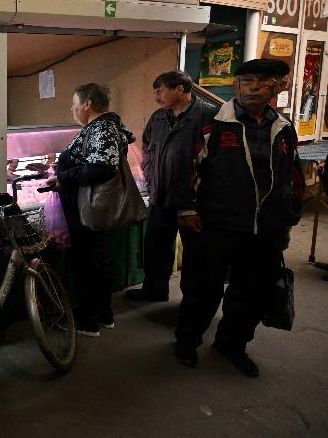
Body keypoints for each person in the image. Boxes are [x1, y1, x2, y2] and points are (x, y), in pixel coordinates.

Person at [173, 59, 304, 377]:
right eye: (246, 80)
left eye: (263, 81)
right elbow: (185, 168)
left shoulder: (283, 129)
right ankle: (186, 343)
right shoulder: (213, 123)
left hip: (265, 231)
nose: (254, 87)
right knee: (204, 290)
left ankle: (231, 344)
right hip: (217, 226)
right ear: (236, 85)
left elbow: (293, 179)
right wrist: (187, 209)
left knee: (252, 292)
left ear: (278, 86)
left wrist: (287, 222)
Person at [45, 83, 136, 337]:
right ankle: (103, 314)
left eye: (75, 103)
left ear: (88, 104)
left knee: (86, 262)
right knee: (97, 260)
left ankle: (88, 320)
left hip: (88, 207)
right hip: (92, 205)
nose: (73, 109)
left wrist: (65, 178)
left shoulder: (101, 128)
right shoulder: (108, 126)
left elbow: (101, 167)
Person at [126, 71, 219, 302]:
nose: (157, 95)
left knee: (195, 256)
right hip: (161, 196)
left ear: (180, 89)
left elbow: (215, 162)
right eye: (155, 91)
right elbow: (146, 147)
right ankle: (154, 290)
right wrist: (150, 175)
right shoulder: (158, 117)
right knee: (156, 249)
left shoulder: (208, 116)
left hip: (193, 202)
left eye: (161, 90)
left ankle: (191, 305)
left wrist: (196, 200)